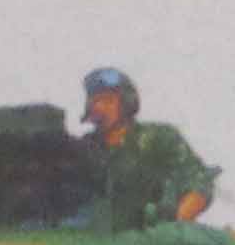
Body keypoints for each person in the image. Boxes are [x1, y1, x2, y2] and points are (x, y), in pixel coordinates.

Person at [75, 67, 217, 227]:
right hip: (97, 236)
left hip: (154, 234)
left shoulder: (158, 138)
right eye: (95, 101)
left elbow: (198, 182)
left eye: (108, 101)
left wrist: (176, 221)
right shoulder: (82, 149)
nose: (99, 107)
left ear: (127, 103)